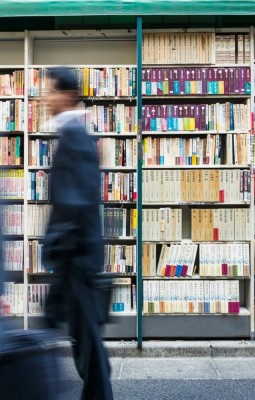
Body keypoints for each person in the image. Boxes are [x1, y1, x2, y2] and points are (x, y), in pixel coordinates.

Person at [42, 67, 113, 400]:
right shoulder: (73, 136)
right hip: (77, 256)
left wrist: (55, 246)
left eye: (51, 91)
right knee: (86, 344)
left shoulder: (75, 139)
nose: (45, 98)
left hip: (78, 259)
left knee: (88, 346)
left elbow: (77, 203)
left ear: (67, 95)